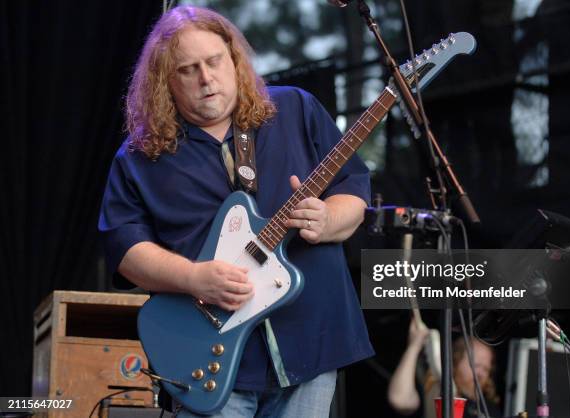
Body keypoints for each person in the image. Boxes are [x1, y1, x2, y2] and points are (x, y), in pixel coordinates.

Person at [98, 5, 374, 418]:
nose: (206, 79)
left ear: (234, 59)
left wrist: (329, 219)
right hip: (206, 357)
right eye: (188, 70)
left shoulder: (295, 109)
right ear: (164, 83)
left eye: (213, 62)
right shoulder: (139, 156)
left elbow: (354, 189)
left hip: (310, 340)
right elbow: (123, 247)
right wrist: (193, 278)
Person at [388, 318, 501, 418]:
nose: (480, 374)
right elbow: (399, 400)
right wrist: (414, 345)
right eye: (476, 365)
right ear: (455, 361)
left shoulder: (491, 410)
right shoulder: (435, 394)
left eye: (486, 369)